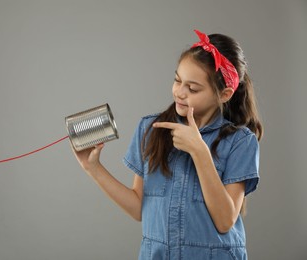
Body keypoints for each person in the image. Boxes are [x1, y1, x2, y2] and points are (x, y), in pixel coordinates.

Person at [72, 29, 263, 260]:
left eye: (192, 89)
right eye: (177, 80)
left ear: (224, 94)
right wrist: (93, 168)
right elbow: (138, 207)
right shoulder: (151, 129)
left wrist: (199, 151)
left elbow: (225, 221)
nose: (179, 93)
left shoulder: (240, 142)